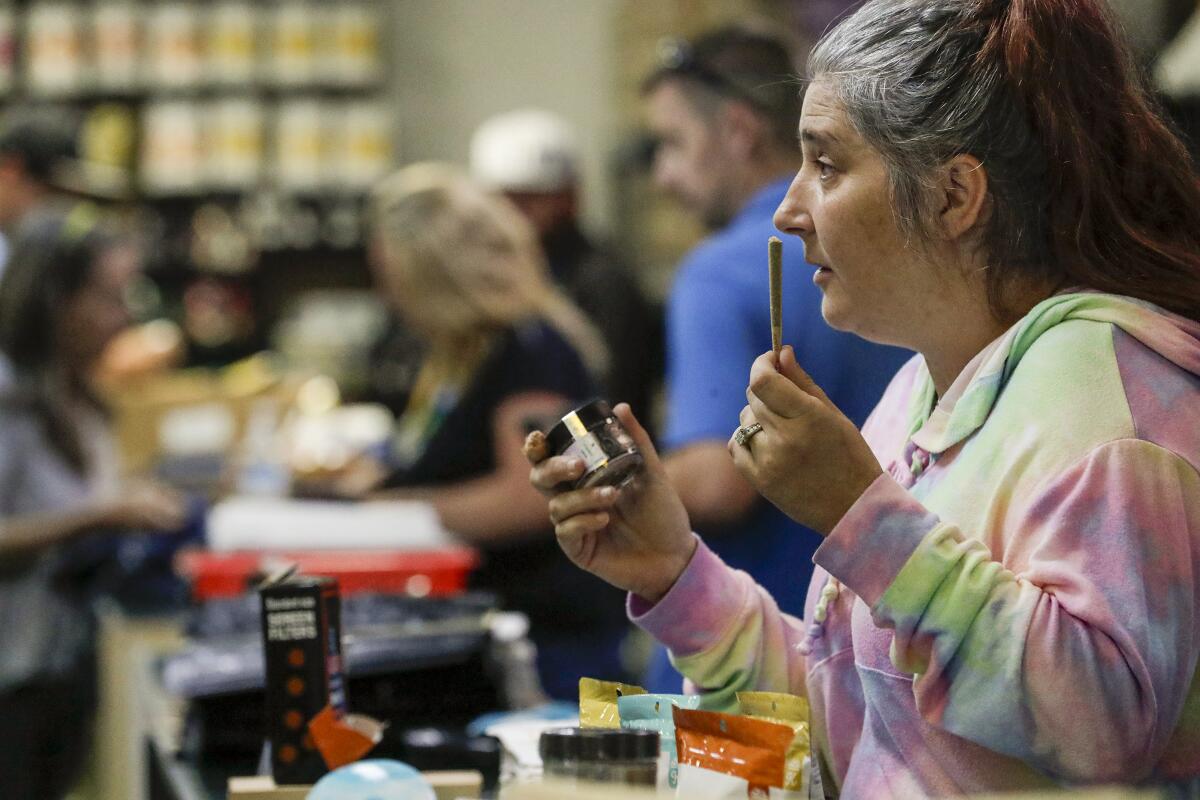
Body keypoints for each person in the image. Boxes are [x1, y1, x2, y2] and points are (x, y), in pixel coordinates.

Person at [530, 0, 1200, 795]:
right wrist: (677, 573)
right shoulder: (923, 385)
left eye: (827, 165)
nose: (787, 210)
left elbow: (1100, 731)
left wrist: (863, 516)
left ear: (954, 195)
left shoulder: (1112, 404)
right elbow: (855, 713)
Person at [638, 23, 911, 689]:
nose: (661, 176)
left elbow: (716, 482)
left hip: (757, 653)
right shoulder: (898, 259)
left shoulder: (720, 272)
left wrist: (617, 485)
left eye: (673, 144)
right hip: (883, 647)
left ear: (738, 129)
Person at [365, 163, 631, 700]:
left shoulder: (531, 352)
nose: (388, 298)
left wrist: (398, 510)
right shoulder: (474, 351)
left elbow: (532, 494)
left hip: (546, 644)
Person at [0, 204, 186, 800]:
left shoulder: (73, 391)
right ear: (55, 301)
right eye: (108, 297)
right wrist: (98, 516)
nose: (124, 317)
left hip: (56, 671)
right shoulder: (9, 398)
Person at [470, 108, 659, 422]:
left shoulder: (603, 282)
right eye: (499, 200)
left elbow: (612, 400)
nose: (509, 215)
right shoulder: (492, 277)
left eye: (529, 198)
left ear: (569, 197)